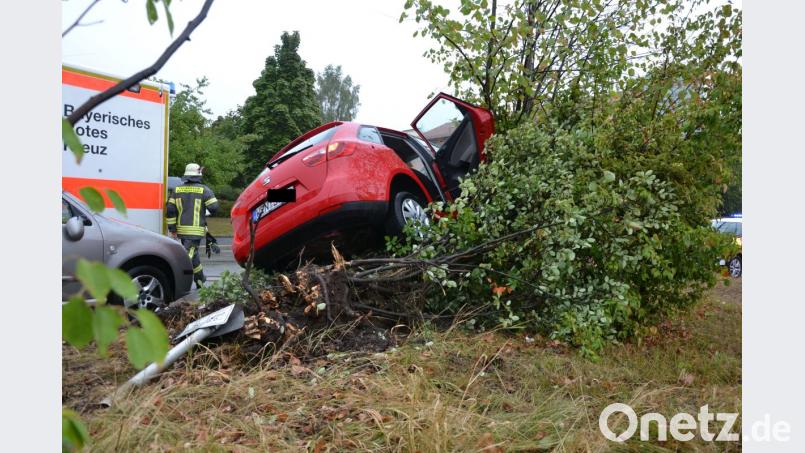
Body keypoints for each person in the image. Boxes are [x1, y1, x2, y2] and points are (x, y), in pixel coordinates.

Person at [166, 163, 219, 288]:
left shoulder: (177, 190)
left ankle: (200, 279)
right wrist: (204, 210)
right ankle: (175, 282)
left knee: (193, 255)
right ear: (198, 175)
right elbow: (214, 207)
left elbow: (170, 210)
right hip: (195, 231)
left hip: (181, 230)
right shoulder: (204, 190)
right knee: (187, 257)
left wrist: (172, 228)